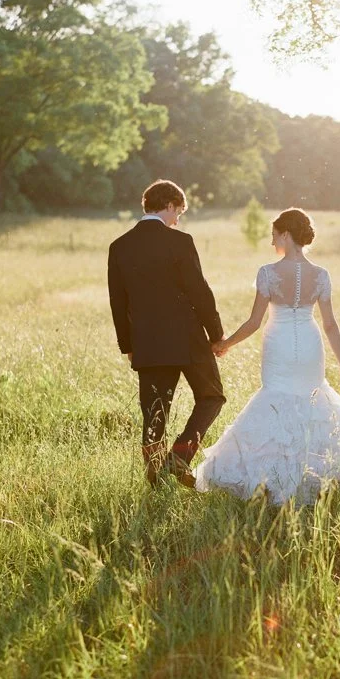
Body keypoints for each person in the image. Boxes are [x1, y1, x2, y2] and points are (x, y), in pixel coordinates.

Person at [195, 208, 340, 506]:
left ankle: (271, 478)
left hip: (279, 344)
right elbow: (330, 324)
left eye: (273, 235)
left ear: (286, 234)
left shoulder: (268, 273)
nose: (272, 242)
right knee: (311, 398)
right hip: (310, 343)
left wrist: (226, 343)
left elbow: (254, 322)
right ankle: (309, 475)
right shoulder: (320, 275)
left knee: (275, 398)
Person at [107, 180, 226, 488]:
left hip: (147, 342)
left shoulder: (119, 246)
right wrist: (216, 333)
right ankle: (180, 457)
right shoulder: (180, 242)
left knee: (155, 410)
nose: (178, 219)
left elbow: (118, 303)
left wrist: (128, 345)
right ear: (171, 205)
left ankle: (156, 480)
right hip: (187, 338)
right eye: (179, 212)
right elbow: (200, 291)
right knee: (212, 396)